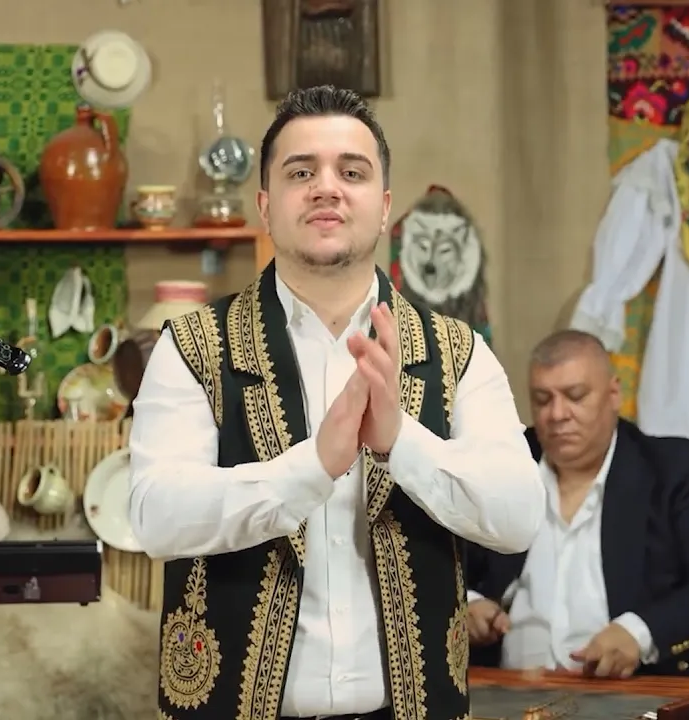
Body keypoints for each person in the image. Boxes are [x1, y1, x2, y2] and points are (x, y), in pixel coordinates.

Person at [127, 85, 545, 720]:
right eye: (301, 173)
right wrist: (311, 467)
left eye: (352, 172)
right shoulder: (193, 346)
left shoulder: (458, 352)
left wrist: (403, 442)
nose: (327, 187)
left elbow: (518, 518)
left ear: (383, 208)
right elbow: (155, 517)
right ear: (265, 206)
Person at [464, 329, 689, 678]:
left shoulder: (678, 470)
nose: (557, 414)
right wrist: (468, 603)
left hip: (641, 690)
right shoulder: (502, 466)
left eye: (575, 396)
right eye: (542, 400)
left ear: (613, 394)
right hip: (510, 691)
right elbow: (437, 563)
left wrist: (638, 632)